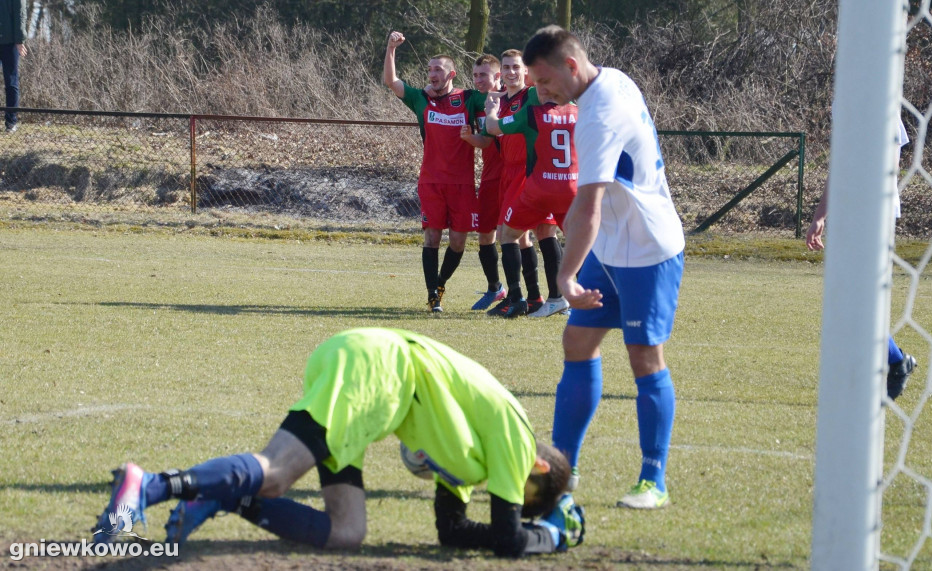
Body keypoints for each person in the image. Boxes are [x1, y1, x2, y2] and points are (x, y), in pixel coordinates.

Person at [92, 328, 584, 558]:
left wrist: (522, 531)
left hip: (374, 379)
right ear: (538, 468)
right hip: (379, 371)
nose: (510, 502)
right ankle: (150, 485)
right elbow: (507, 541)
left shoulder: (481, 460)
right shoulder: (519, 444)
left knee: (346, 532)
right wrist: (554, 535)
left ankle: (220, 496)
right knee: (278, 471)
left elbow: (451, 531)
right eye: (522, 499)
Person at [521, 26, 686, 509]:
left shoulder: (599, 117)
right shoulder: (611, 78)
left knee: (643, 357)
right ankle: (560, 472)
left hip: (648, 249)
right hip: (611, 245)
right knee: (577, 340)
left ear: (571, 66)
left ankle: (653, 480)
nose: (540, 90)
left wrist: (565, 277)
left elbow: (588, 208)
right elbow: (586, 208)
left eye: (546, 80)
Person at [805, 117, 917, 400]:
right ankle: (890, 361)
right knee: (849, 300)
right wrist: (820, 216)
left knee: (863, 300)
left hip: (876, 213)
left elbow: (890, 165)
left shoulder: (882, 98)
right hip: (849, 213)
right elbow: (840, 163)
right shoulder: (845, 99)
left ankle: (892, 363)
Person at [382, 31, 484, 313]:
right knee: (432, 238)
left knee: (459, 241)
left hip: (462, 183)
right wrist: (391, 48)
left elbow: (494, 92)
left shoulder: (469, 98)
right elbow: (391, 81)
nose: (432, 74)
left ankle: (440, 283)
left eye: (437, 69)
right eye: (429, 69)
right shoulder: (420, 99)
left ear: (451, 73)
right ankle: (432, 296)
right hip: (431, 181)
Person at [484, 88, 576, 319]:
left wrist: (491, 110)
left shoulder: (532, 113)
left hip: (540, 188)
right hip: (571, 187)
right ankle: (587, 299)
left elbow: (493, 127)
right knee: (579, 243)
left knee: (509, 234)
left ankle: (517, 298)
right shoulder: (579, 112)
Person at [459, 54, 508, 310]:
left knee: (520, 236)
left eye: (484, 75)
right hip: (490, 177)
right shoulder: (477, 103)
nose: (478, 79)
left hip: (514, 177)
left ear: (498, 76)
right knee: (485, 235)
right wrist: (469, 138)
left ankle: (530, 295)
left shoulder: (513, 99)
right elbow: (487, 141)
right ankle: (495, 288)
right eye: (475, 74)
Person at [0, 0, 26, 133]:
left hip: (9, 42)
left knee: (11, 82)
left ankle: (11, 121)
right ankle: (11, 122)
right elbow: (20, 14)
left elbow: (20, 14)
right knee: (11, 82)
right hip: (8, 41)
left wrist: (19, 40)